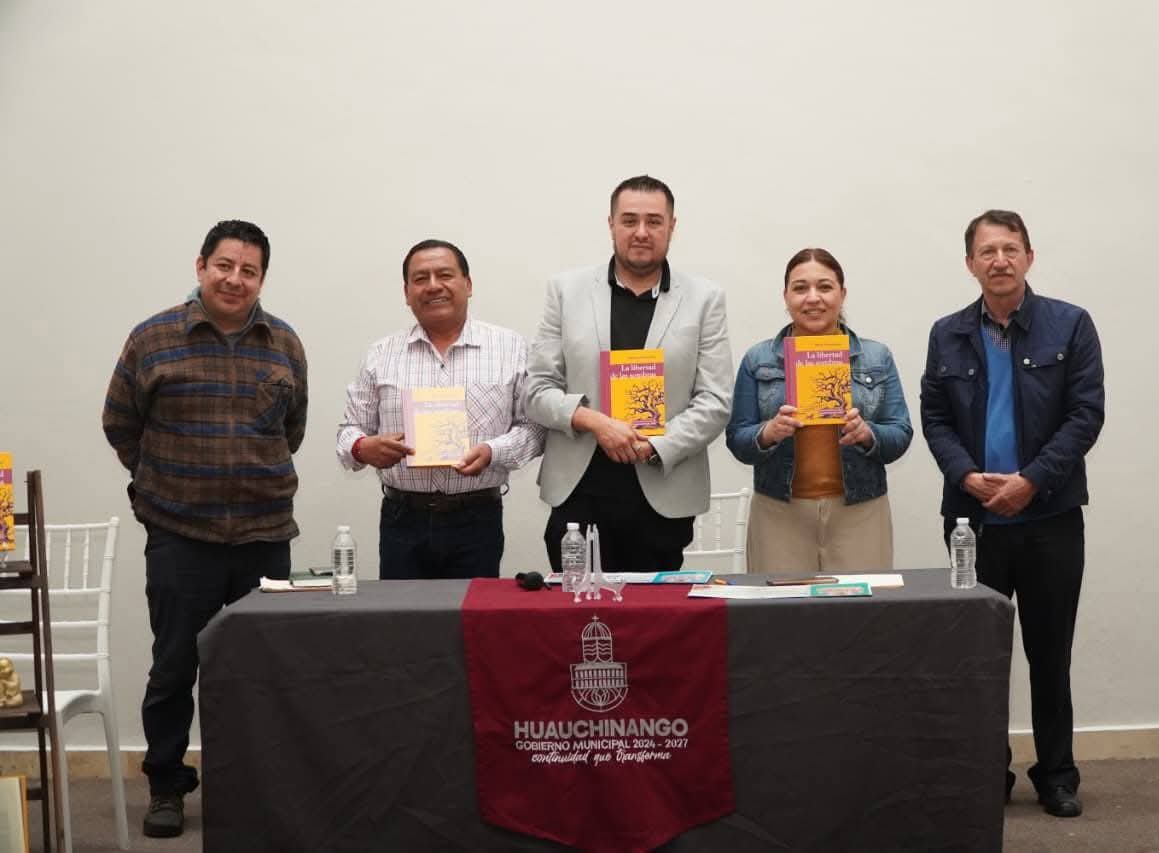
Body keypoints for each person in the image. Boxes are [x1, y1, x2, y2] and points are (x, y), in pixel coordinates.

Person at [102, 219, 306, 838]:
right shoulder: (153, 338)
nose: (235, 279)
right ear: (201, 266)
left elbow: (291, 430)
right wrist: (164, 483)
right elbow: (120, 424)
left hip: (264, 537)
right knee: (173, 667)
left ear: (261, 279)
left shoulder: (284, 343)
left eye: (249, 270)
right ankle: (166, 785)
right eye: (224, 265)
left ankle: (252, 785)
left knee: (260, 669)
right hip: (180, 536)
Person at [920, 210, 1104, 818]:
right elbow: (935, 418)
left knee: (1050, 655)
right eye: (987, 251)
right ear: (969, 264)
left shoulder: (1070, 324)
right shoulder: (947, 333)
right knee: (979, 658)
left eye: (1010, 248)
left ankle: (1057, 774)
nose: (999, 260)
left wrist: (1032, 480)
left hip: (1050, 520)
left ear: (1029, 256)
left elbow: (1085, 414)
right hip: (972, 525)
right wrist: (965, 476)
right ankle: (984, 773)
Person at [525, 175, 733, 572]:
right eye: (629, 220)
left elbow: (715, 400)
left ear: (672, 226)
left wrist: (655, 445)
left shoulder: (705, 298)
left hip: (662, 494)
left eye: (654, 221)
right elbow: (537, 389)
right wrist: (596, 422)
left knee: (653, 611)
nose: (641, 232)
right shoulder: (565, 291)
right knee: (576, 609)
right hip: (579, 493)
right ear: (611, 224)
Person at [336, 239, 545, 579]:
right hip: (402, 518)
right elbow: (349, 429)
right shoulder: (380, 354)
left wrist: (492, 451)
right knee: (402, 612)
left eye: (444, 275)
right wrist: (363, 448)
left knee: (470, 611)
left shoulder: (510, 348)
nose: (433, 286)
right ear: (406, 293)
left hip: (477, 517)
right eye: (421, 278)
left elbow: (534, 428)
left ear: (468, 284)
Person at [726, 248, 912, 571]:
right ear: (785, 297)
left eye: (824, 287)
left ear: (843, 294)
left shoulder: (876, 357)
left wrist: (867, 434)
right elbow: (737, 438)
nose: (813, 298)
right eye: (800, 288)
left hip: (860, 510)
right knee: (782, 603)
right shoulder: (758, 359)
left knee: (862, 604)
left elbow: (901, 433)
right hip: (779, 512)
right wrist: (768, 433)